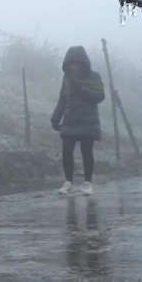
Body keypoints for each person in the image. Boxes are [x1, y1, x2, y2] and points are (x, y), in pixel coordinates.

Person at [50, 45, 106, 196]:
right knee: (66, 151)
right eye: (71, 64)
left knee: (86, 152)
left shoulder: (94, 77)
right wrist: (56, 118)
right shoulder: (67, 79)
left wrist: (81, 90)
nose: (74, 67)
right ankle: (69, 182)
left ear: (83, 63)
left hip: (88, 121)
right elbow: (62, 99)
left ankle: (88, 183)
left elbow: (99, 96)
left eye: (77, 63)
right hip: (70, 120)